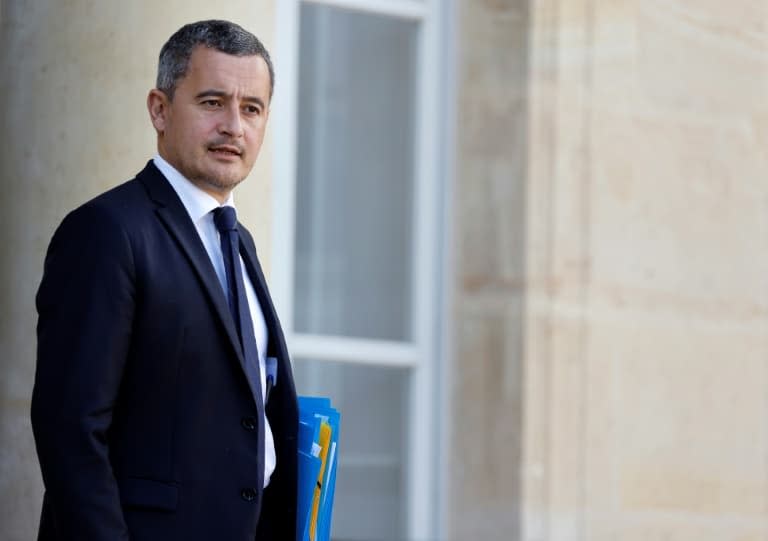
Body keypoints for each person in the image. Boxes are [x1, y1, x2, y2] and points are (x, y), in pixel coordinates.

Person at [30, 20, 297, 541]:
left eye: (251, 109)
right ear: (159, 108)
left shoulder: (236, 239)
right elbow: (72, 434)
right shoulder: (106, 231)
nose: (234, 127)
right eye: (212, 102)